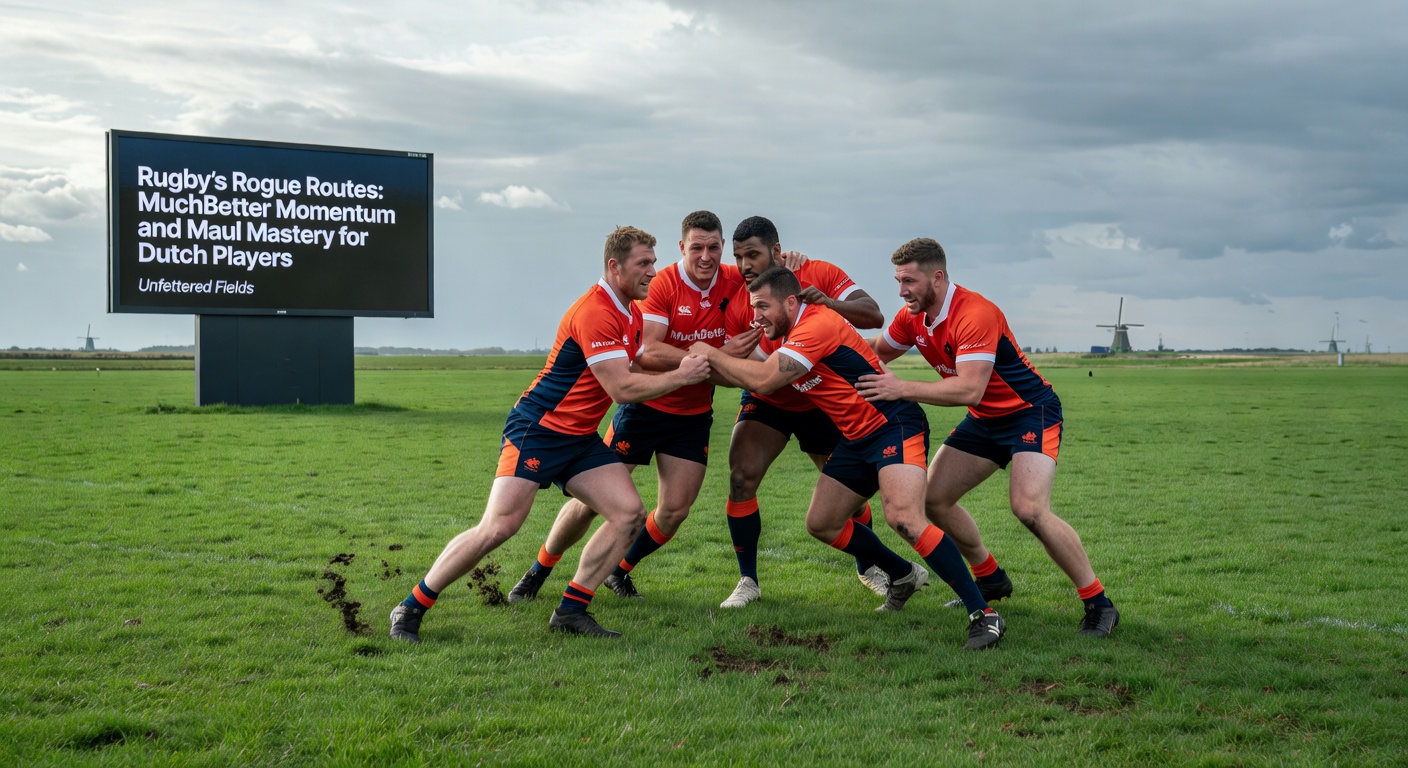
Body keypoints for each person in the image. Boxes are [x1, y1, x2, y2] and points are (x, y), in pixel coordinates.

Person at [388, 226, 711, 641]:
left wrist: (696, 360)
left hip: (578, 438)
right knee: (499, 527)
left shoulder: (630, 311)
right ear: (615, 267)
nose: (653, 270)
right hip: (538, 430)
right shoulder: (596, 311)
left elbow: (632, 366)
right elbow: (622, 388)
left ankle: (571, 611)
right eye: (643, 263)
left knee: (628, 513)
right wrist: (683, 375)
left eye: (653, 261)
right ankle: (411, 606)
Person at [692, 266, 1006, 650]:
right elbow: (751, 374)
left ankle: (983, 614)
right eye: (752, 307)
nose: (755, 316)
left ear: (791, 302)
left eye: (762, 306)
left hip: (894, 424)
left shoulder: (815, 326)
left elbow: (763, 380)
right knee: (822, 523)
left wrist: (709, 353)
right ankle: (902, 573)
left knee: (903, 517)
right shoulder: (791, 331)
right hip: (857, 438)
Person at [855, 237, 1119, 637]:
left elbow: (967, 390)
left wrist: (900, 387)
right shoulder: (910, 317)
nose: (901, 291)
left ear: (937, 278)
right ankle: (990, 577)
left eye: (908, 281)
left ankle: (1099, 602)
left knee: (1029, 509)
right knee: (934, 499)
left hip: (1031, 413)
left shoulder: (975, 313)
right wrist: (817, 337)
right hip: (985, 420)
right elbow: (875, 351)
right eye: (898, 281)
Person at [505, 211, 759, 603]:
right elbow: (649, 350)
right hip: (645, 406)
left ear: (723, 247)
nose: (706, 256)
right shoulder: (662, 282)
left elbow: (771, 276)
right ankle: (539, 571)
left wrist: (790, 260)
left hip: (692, 417)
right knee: (587, 505)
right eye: (697, 248)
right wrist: (713, 356)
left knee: (674, 511)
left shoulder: (734, 280)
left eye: (713, 247)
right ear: (682, 248)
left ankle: (619, 572)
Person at [717, 216, 890, 608]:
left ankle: (870, 568)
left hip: (820, 399)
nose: (745, 265)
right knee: (741, 477)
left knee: (850, 497)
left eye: (754, 255)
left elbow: (873, 315)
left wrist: (828, 302)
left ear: (777, 252)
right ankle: (748, 581)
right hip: (769, 399)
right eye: (739, 256)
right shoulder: (736, 287)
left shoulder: (818, 273)